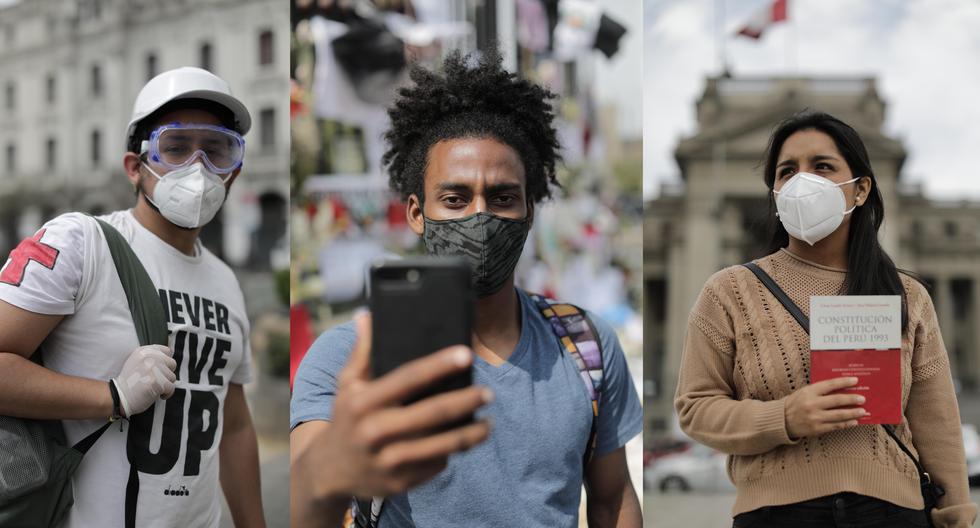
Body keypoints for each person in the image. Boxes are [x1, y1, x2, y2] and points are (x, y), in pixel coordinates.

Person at [290, 49, 643, 528]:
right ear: (417, 213)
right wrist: (330, 470)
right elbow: (305, 503)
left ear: (529, 212)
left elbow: (613, 499)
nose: (480, 217)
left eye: (502, 198)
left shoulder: (587, 347)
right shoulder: (348, 358)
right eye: (455, 199)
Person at [674, 111, 978, 528]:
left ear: (861, 189)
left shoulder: (908, 295)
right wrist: (785, 418)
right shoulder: (728, 291)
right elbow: (695, 408)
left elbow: (936, 423)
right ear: (775, 194)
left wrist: (958, 517)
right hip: (776, 515)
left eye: (821, 166)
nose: (803, 181)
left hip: (893, 513)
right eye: (787, 171)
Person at [0, 67, 265, 528]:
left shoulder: (225, 280)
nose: (197, 168)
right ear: (135, 167)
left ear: (234, 172)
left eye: (217, 150)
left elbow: (235, 424)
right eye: (175, 147)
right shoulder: (80, 243)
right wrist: (112, 395)